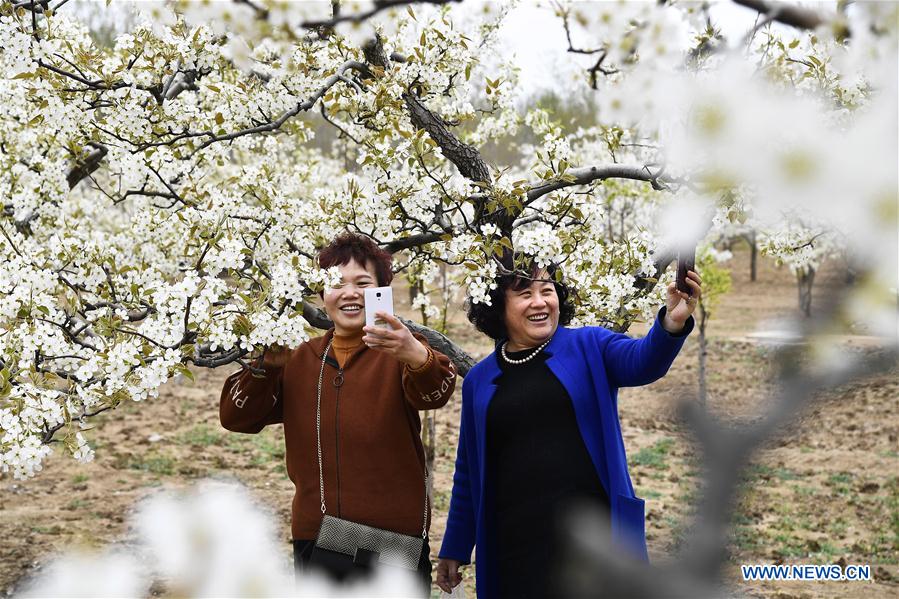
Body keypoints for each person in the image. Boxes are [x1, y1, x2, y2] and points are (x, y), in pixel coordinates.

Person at [435, 259, 701, 598]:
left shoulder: (590, 346)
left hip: (593, 543)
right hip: (514, 546)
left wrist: (672, 322)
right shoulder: (479, 380)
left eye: (548, 291)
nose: (540, 302)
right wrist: (456, 545)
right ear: (498, 306)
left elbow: (643, 361)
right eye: (525, 293)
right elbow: (469, 470)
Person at [220, 232, 457, 594]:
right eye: (336, 284)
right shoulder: (299, 358)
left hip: (393, 538)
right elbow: (237, 418)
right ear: (321, 295)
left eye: (364, 283)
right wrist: (264, 368)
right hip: (317, 534)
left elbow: (435, 392)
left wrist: (415, 355)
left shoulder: (400, 350)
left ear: (382, 291)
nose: (350, 294)